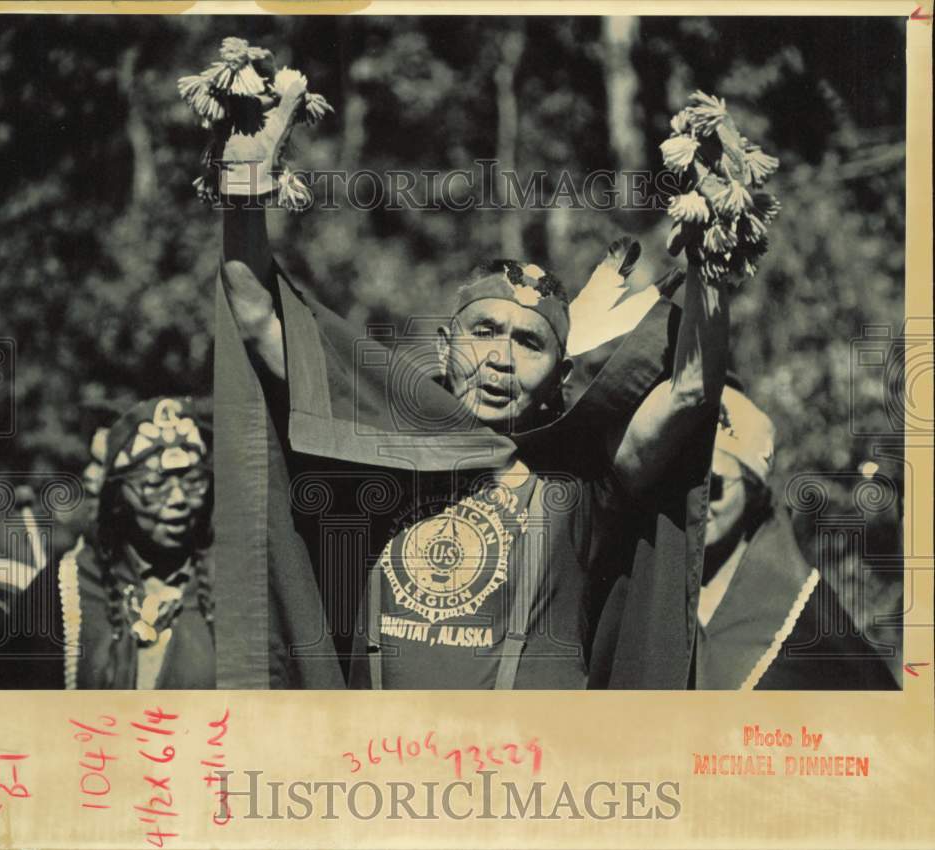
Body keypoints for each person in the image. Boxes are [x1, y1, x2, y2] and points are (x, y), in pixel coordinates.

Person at [202, 50, 730, 690]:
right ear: (448, 345)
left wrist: (716, 256)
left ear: (558, 380)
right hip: (382, 774)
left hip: (522, 781)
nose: (501, 358)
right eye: (485, 332)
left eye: (530, 344)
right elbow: (259, 317)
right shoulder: (379, 444)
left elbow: (691, 391)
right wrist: (242, 185)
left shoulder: (577, 485)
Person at [0, 396, 215, 689]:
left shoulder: (234, 588)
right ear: (116, 496)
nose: (178, 500)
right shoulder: (63, 592)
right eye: (155, 484)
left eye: (192, 482)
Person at [695, 384, 897, 689]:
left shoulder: (801, 607)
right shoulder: (663, 585)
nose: (697, 503)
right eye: (686, 486)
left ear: (752, 488)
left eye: (714, 486)